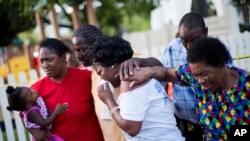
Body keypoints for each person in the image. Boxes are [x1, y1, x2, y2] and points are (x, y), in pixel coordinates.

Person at [120, 12, 234, 141]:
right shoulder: (185, 67)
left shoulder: (242, 88)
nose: (199, 81)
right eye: (194, 75)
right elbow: (165, 72)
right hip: (192, 126)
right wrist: (148, 70)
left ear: (220, 65)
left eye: (204, 73)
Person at [91, 35, 185, 141]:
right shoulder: (141, 72)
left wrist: (108, 100)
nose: (101, 78)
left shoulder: (130, 82)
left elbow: (131, 128)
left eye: (100, 72)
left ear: (114, 65)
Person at [25, 38, 104, 141]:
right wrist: (35, 132)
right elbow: (24, 114)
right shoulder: (34, 91)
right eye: (42, 61)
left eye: (49, 60)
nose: (45, 65)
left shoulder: (87, 77)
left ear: (63, 58)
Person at [73, 24, 126, 141]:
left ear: (96, 43)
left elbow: (156, 66)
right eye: (76, 51)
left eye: (82, 49)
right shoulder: (93, 74)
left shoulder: (122, 59)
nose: (78, 56)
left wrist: (140, 61)